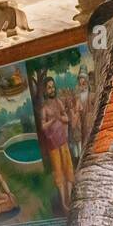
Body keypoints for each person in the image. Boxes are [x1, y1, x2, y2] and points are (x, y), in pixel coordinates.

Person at [33, 73, 75, 211]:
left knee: (68, 168)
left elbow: (67, 119)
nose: (52, 89)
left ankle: (69, 198)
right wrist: (53, 119)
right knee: (58, 172)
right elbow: (43, 126)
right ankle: (63, 202)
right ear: (45, 91)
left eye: (53, 87)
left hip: (63, 142)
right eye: (49, 88)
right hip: (53, 145)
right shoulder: (44, 108)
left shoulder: (59, 102)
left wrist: (60, 117)